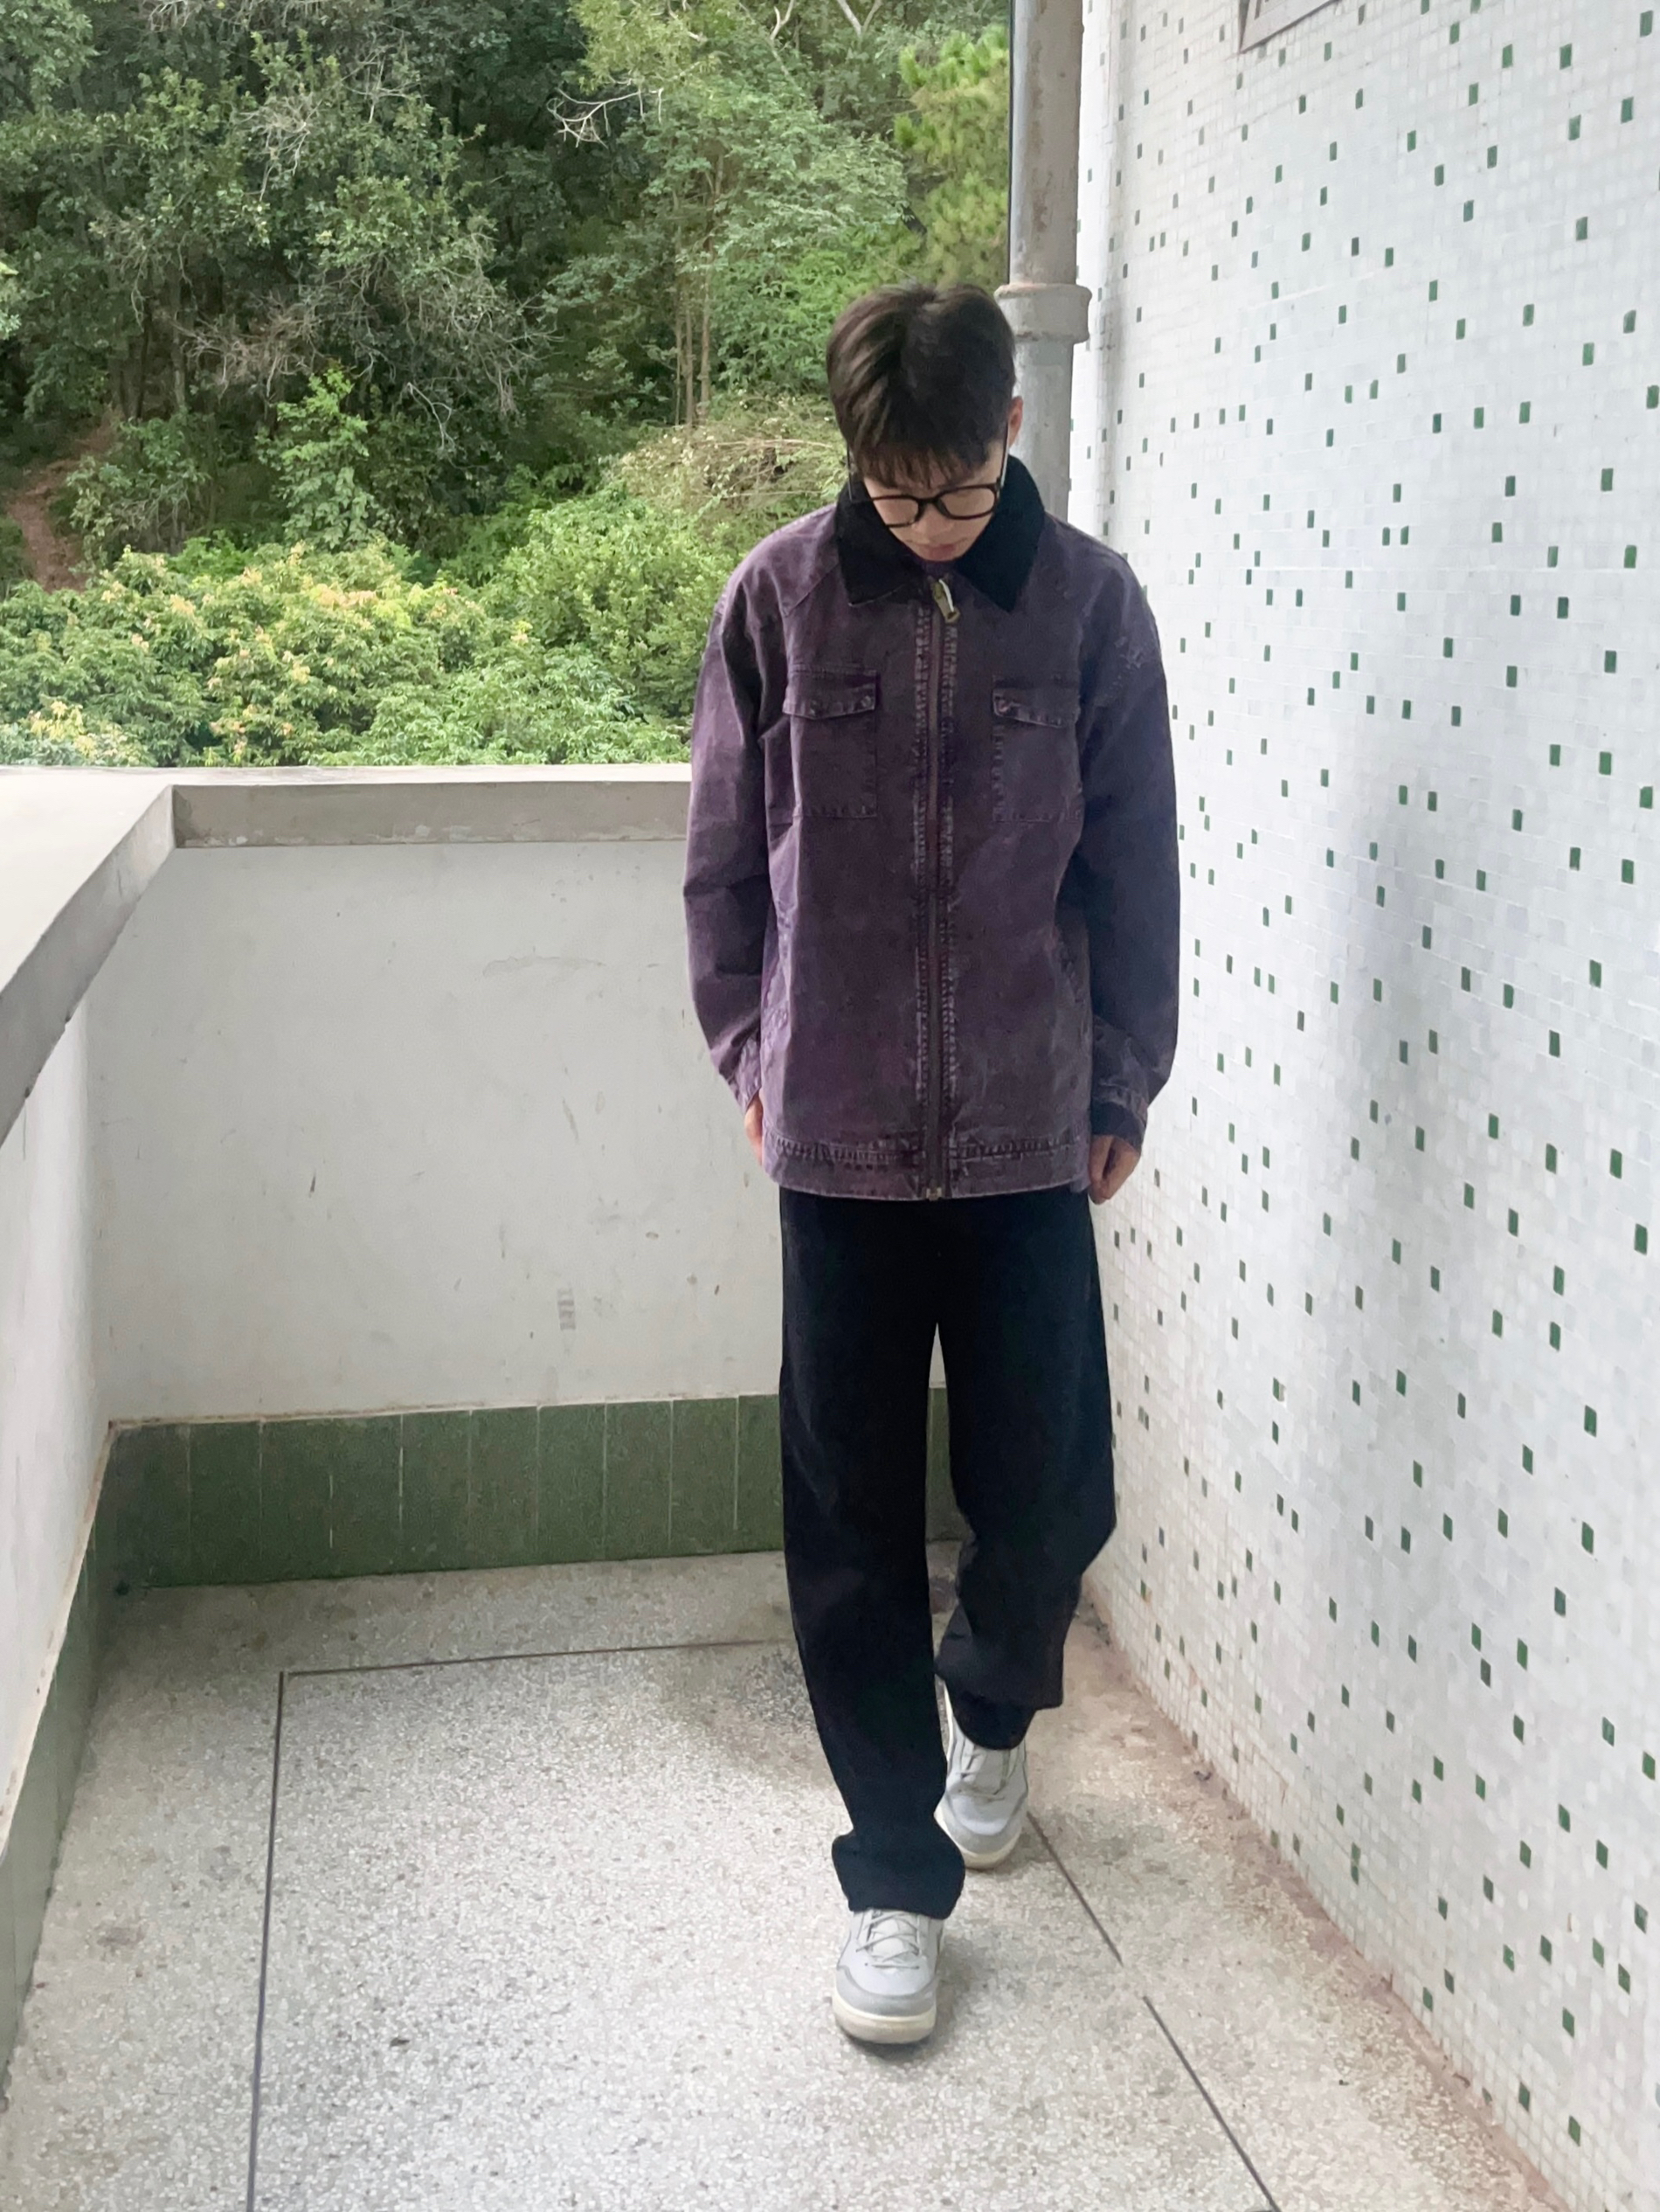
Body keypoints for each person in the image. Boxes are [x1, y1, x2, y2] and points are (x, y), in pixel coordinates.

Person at [682, 280, 1180, 2045]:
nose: (930, 525)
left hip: (1031, 1124)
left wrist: (1122, 1080)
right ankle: (892, 1877)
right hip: (835, 1128)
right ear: (855, 460)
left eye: (958, 489)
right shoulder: (779, 598)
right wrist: (748, 1053)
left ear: (1012, 431)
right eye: (896, 496)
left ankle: (993, 1707)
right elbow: (722, 860)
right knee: (846, 1522)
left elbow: (1134, 866)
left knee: (1049, 1489)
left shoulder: (1090, 607)